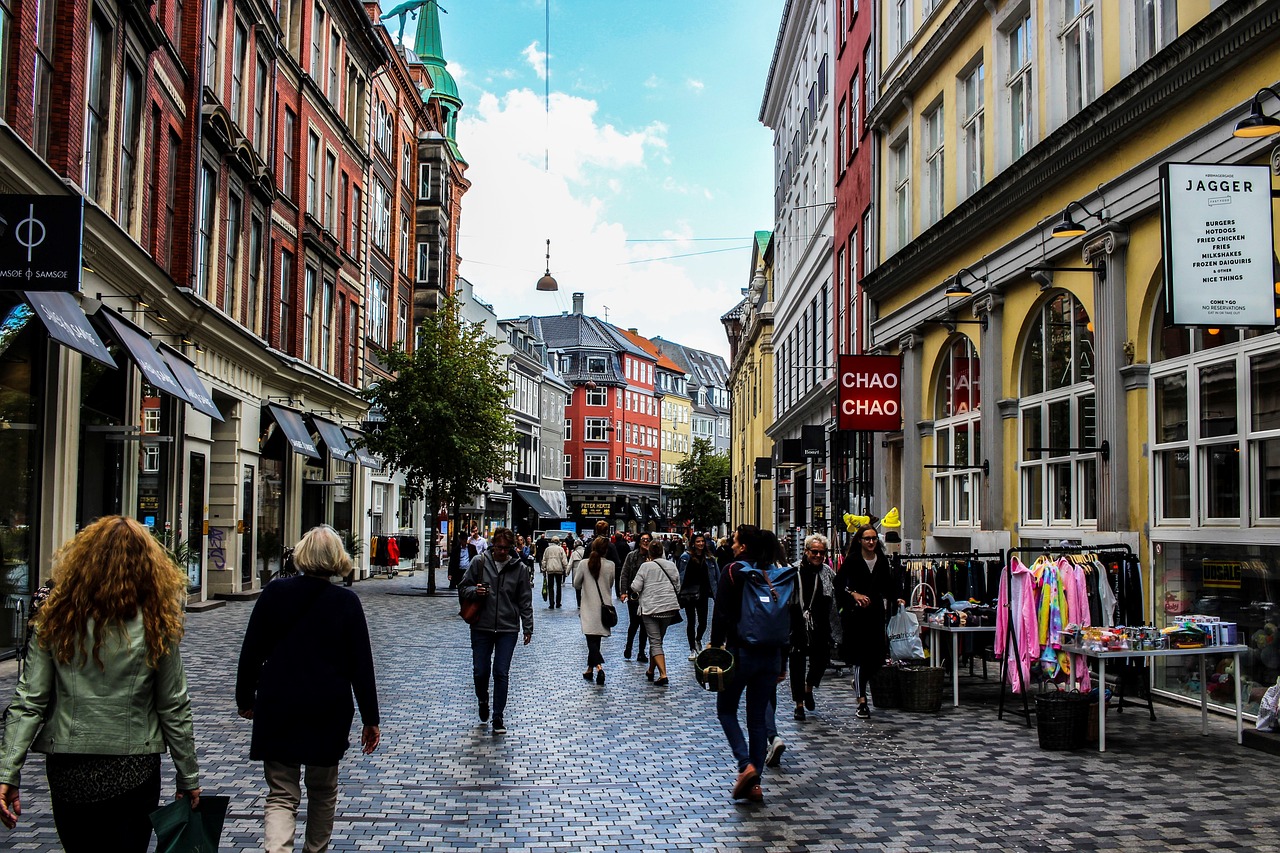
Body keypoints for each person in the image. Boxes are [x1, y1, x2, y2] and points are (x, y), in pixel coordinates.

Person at [0, 516, 200, 851]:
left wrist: (8, 771)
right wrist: (188, 775)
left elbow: (29, 700)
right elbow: (173, 705)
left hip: (69, 767)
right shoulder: (155, 621)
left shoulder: (56, 618)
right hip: (134, 764)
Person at [236, 525, 380, 853]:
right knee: (323, 790)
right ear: (336, 559)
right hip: (327, 708)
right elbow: (362, 665)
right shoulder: (346, 602)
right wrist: (371, 718)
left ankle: (277, 849)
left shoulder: (274, 594)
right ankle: (315, 850)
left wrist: (245, 698)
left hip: (279, 704)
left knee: (281, 794)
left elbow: (251, 651)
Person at [710, 524, 791, 803]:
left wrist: (714, 648)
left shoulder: (733, 571)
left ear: (743, 546)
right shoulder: (775, 573)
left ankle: (745, 765)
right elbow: (787, 618)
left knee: (726, 711)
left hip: (740, 652)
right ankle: (755, 784)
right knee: (757, 719)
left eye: (734, 541)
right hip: (771, 654)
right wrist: (783, 661)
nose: (732, 545)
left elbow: (720, 614)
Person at [459, 527, 534, 735]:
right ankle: (482, 698)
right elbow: (463, 587)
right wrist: (476, 591)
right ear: (493, 546)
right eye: (498, 547)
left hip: (507, 628)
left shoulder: (519, 568)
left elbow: (525, 599)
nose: (502, 552)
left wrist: (528, 626)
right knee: (480, 670)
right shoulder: (479, 563)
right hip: (482, 625)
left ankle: (498, 716)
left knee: (501, 672)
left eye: (506, 548)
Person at [835, 524, 897, 719]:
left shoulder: (882, 561)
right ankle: (862, 702)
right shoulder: (853, 560)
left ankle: (859, 681)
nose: (871, 542)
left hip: (876, 614)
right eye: (867, 538)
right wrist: (853, 594)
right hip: (856, 616)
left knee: (878, 658)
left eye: (873, 538)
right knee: (861, 658)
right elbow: (839, 584)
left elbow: (888, 585)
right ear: (860, 541)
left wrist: (897, 598)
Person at [789, 534, 835, 721]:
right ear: (806, 551)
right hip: (797, 624)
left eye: (821, 553)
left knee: (822, 659)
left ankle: (809, 687)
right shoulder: (793, 571)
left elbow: (837, 591)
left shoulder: (827, 572)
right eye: (814, 552)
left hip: (820, 624)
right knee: (797, 663)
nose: (818, 556)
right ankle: (799, 704)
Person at [630, 541, 682, 685]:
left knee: (655, 641)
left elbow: (635, 586)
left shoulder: (645, 566)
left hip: (650, 608)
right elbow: (678, 586)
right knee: (658, 641)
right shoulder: (671, 565)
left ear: (650, 553)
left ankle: (663, 674)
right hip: (668, 608)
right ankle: (651, 670)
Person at [573, 537, 616, 685]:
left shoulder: (584, 564)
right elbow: (610, 584)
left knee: (591, 639)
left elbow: (576, 584)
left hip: (588, 607)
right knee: (595, 639)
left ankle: (599, 667)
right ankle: (589, 669)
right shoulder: (611, 565)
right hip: (604, 608)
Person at [677, 533, 719, 659]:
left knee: (703, 622)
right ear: (693, 543)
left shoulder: (710, 558)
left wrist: (718, 594)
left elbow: (717, 576)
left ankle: (698, 639)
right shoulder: (685, 557)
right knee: (691, 622)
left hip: (703, 593)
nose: (700, 544)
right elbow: (679, 575)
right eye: (698, 542)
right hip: (688, 594)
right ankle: (692, 648)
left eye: (702, 541)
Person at [618, 531, 653, 662]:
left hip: (648, 595)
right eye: (643, 539)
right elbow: (625, 574)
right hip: (634, 595)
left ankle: (641, 652)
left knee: (645, 624)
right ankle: (629, 647)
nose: (645, 541)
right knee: (634, 623)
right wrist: (623, 591)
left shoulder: (653, 557)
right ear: (639, 541)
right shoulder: (632, 556)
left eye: (648, 539)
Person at [541, 536, 569, 609]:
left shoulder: (547, 549)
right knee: (558, 586)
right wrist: (566, 568)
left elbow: (544, 560)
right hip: (559, 569)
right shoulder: (561, 549)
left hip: (550, 570)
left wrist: (543, 569)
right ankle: (558, 602)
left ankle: (551, 603)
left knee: (550, 587)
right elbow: (564, 560)